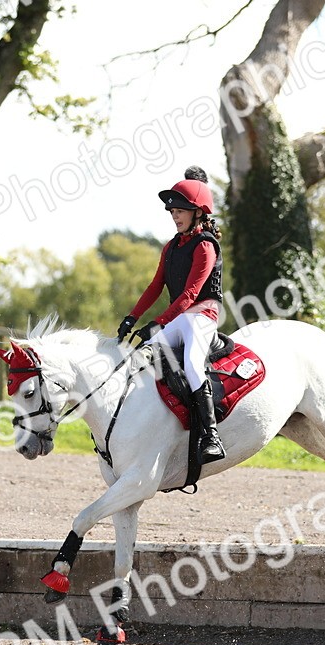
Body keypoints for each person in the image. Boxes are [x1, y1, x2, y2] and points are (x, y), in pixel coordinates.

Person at [116, 165, 225, 464]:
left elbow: (190, 295)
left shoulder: (205, 247)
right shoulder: (171, 247)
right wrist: (132, 317)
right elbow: (155, 286)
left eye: (181, 210)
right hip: (179, 317)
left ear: (198, 212)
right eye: (172, 211)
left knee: (191, 364)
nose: (175, 215)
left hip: (202, 316)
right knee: (144, 354)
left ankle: (210, 436)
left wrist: (158, 322)